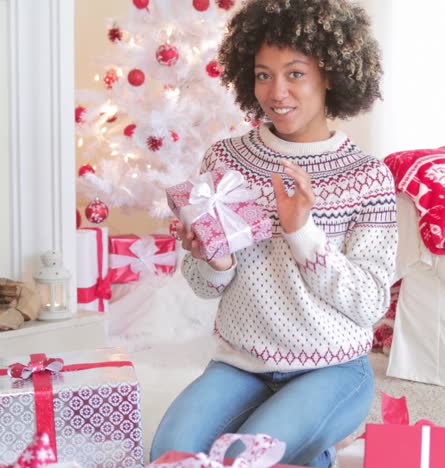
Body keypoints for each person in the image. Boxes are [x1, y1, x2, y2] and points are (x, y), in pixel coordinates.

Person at [150, 0, 397, 466]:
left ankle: (318, 431)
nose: (276, 91)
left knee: (248, 456)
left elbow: (370, 302)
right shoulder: (226, 159)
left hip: (332, 368)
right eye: (264, 74)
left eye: (295, 74)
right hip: (241, 363)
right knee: (170, 456)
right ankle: (312, 439)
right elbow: (205, 287)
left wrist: (302, 232)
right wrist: (215, 259)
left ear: (330, 74)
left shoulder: (367, 176)